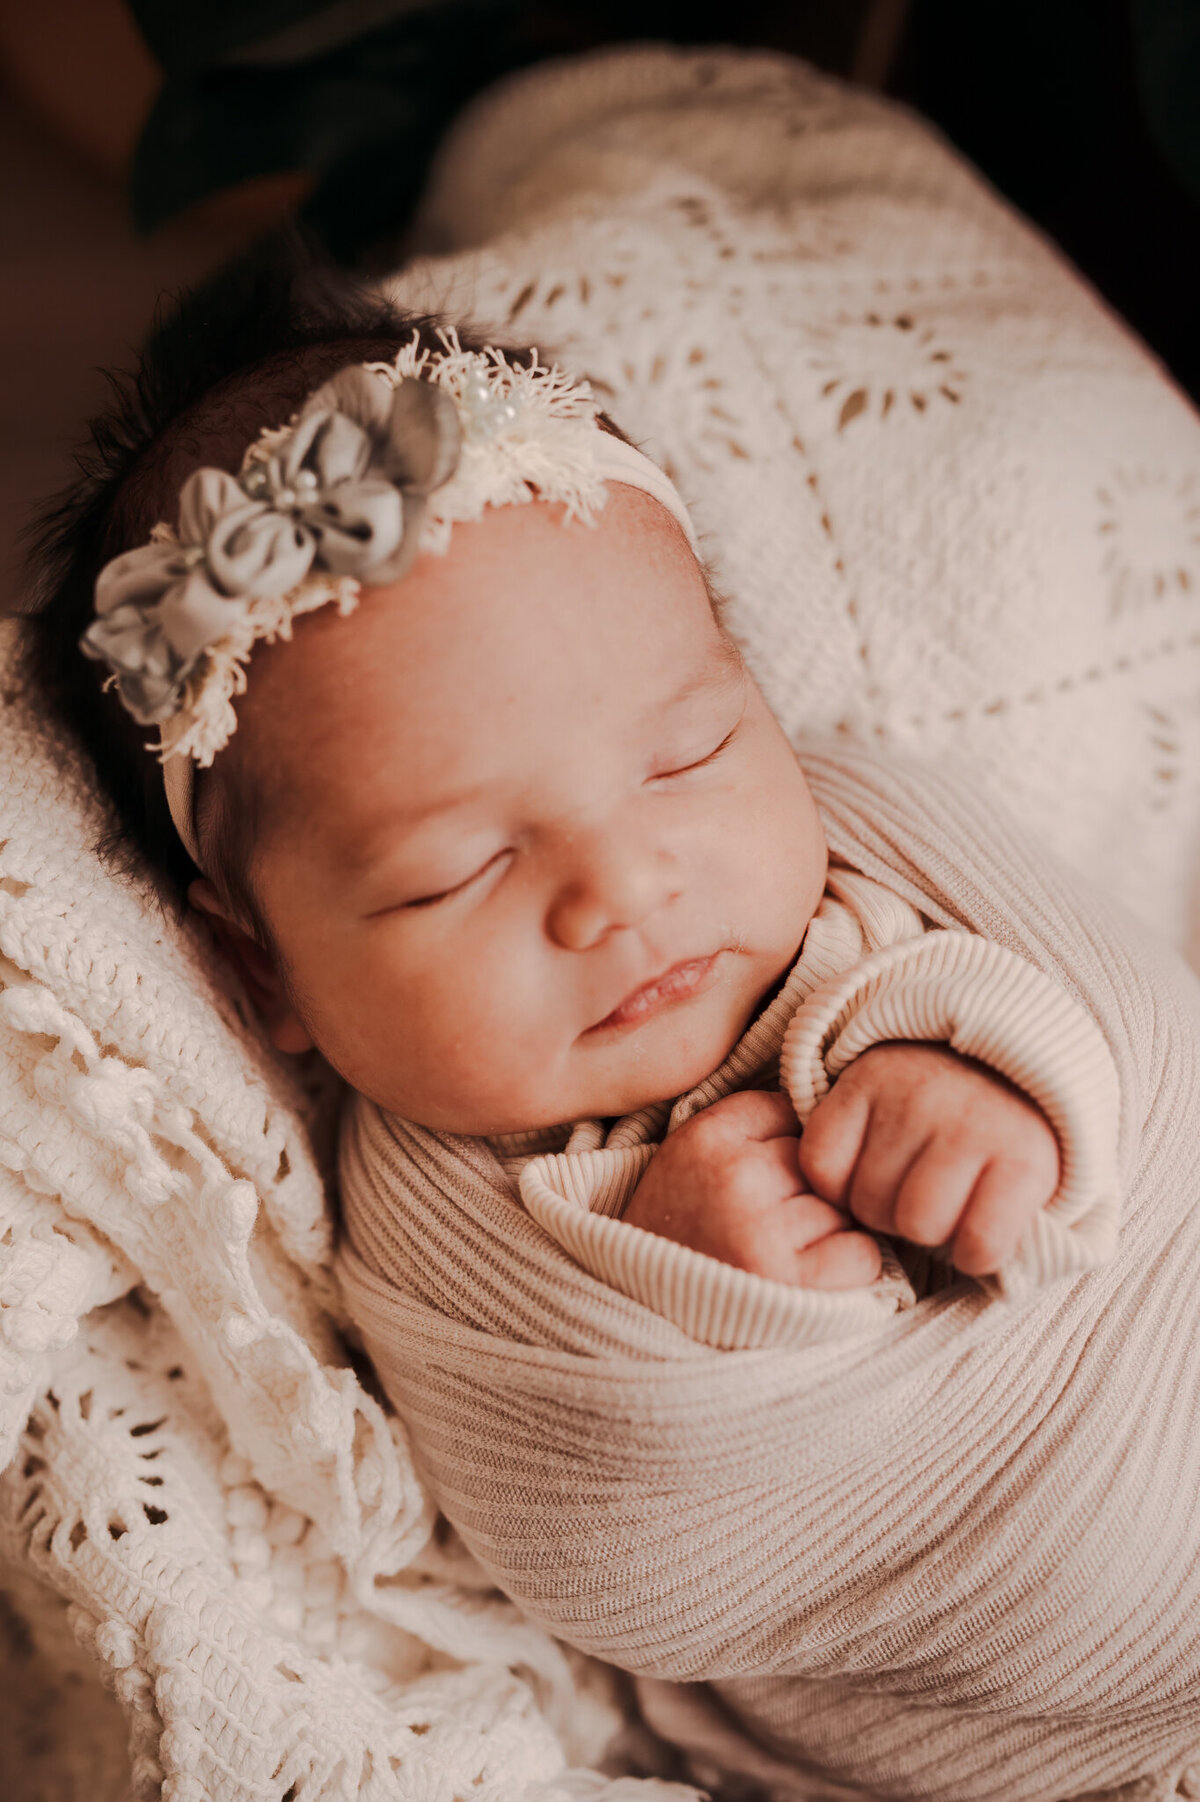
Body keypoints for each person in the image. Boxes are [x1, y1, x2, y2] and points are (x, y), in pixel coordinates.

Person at [22, 254, 1200, 1802]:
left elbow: (1146, 1023)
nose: (622, 888)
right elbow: (621, 1574)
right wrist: (699, 1281)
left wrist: (994, 1072)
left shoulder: (868, 829)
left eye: (686, 753)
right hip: (1066, 1736)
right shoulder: (434, 1210)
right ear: (262, 971)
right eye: (459, 870)